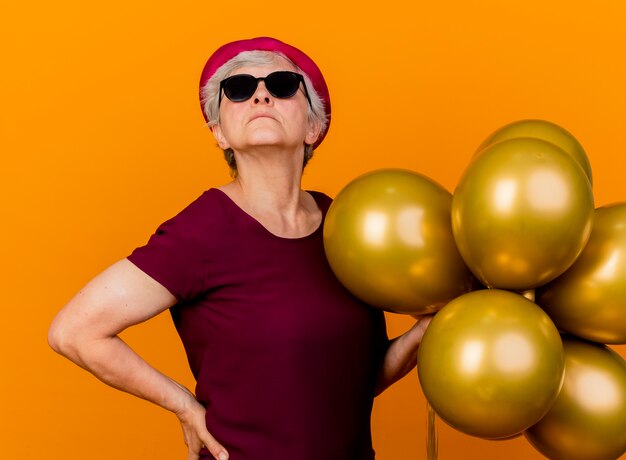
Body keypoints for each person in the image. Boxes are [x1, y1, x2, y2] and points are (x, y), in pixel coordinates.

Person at [48, 37, 432, 460]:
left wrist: (420, 335)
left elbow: (354, 381)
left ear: (313, 127)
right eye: (239, 89)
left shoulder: (347, 225)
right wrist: (183, 405)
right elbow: (74, 332)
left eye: (283, 85)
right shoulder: (204, 229)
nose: (261, 94)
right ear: (219, 134)